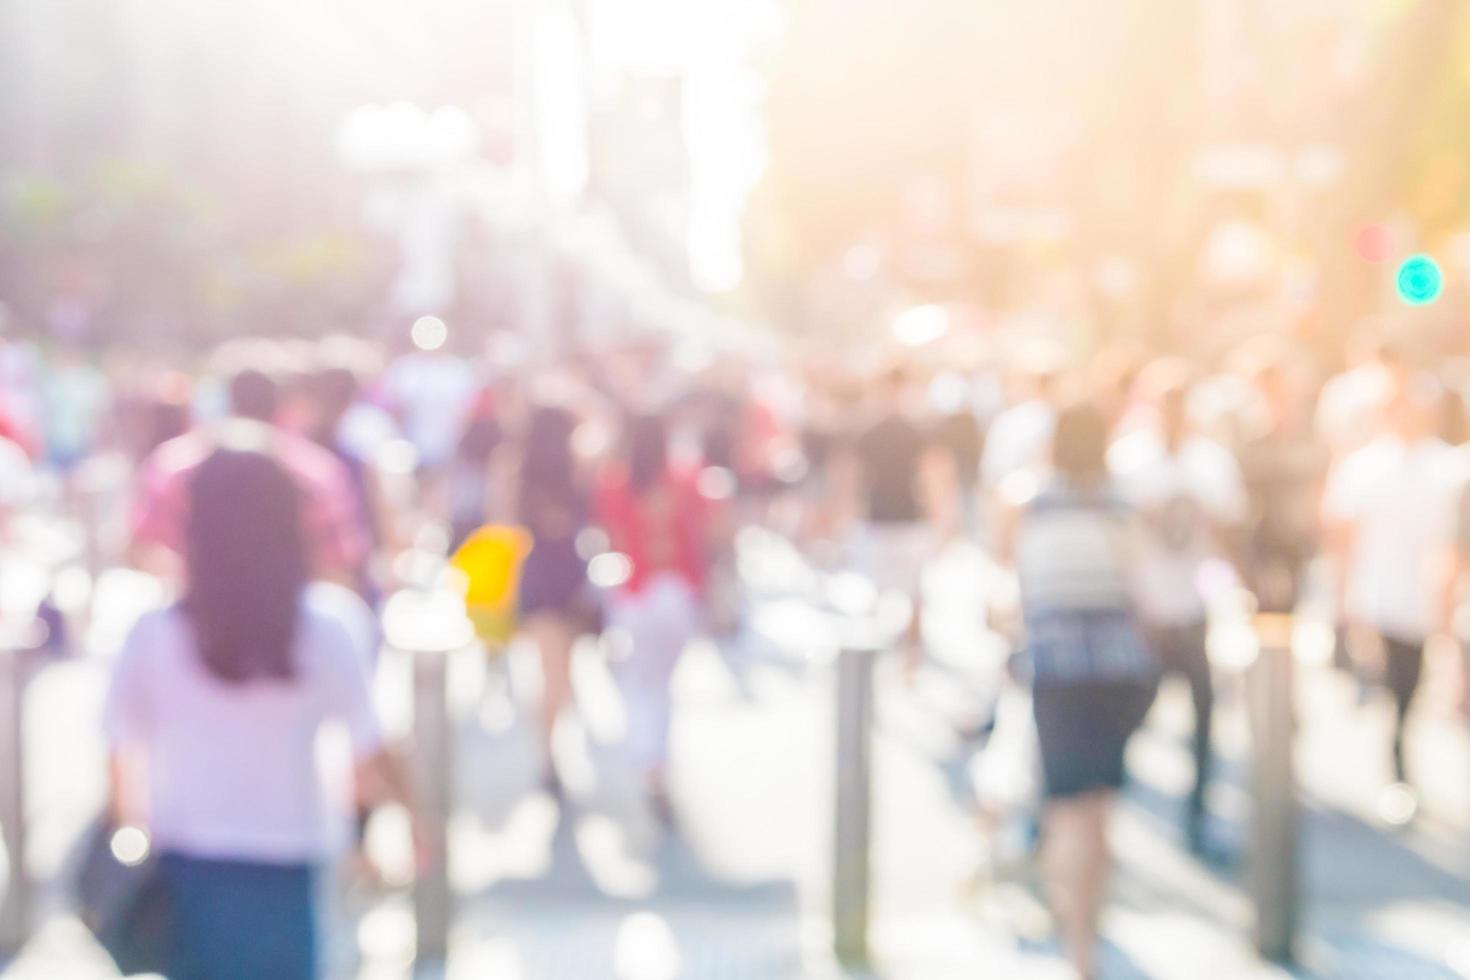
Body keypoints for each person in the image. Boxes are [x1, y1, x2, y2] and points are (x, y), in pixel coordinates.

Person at [105, 438, 420, 980]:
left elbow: (118, 752)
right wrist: (412, 821)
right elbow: (370, 747)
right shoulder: (329, 626)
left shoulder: (152, 632)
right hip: (293, 854)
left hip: (185, 855)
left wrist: (123, 832)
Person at [998, 402, 1157, 980]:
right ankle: (1089, 928)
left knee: (1066, 807)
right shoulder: (1119, 506)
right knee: (1098, 807)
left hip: (1057, 665)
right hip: (1118, 666)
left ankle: (1077, 944)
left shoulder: (1028, 504)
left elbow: (1010, 581)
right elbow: (1141, 588)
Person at [1108, 362, 1246, 854]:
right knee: (1129, 716)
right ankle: (1109, 809)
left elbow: (1229, 532)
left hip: (1191, 608)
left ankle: (1198, 816)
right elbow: (1116, 538)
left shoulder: (1211, 463)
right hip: (1143, 612)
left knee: (1204, 716)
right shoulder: (1127, 460)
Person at [1323, 373, 1465, 811]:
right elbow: (1343, 537)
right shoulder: (1363, 468)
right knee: (1396, 685)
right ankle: (1398, 770)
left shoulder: (1447, 467)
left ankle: (1402, 763)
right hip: (1379, 595)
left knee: (1413, 684)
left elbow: (1453, 542)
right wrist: (1343, 598)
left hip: (1426, 597)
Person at [130, 366, 369, 584]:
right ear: (282, 403)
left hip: (194, 615)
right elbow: (337, 567)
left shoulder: (174, 462)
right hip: (290, 620)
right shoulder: (316, 469)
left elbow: (142, 550)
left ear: (229, 399)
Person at [597, 411, 712, 820]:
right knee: (659, 683)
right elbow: (706, 532)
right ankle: (653, 757)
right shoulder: (685, 478)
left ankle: (647, 756)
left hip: (638, 593)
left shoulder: (615, 482)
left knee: (642, 681)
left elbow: (613, 538)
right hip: (676, 593)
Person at [511, 402, 593, 797]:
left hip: (538, 574)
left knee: (553, 674)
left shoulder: (515, 466)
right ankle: (547, 754)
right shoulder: (576, 464)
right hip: (565, 573)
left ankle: (547, 752)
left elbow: (503, 521)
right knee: (558, 675)